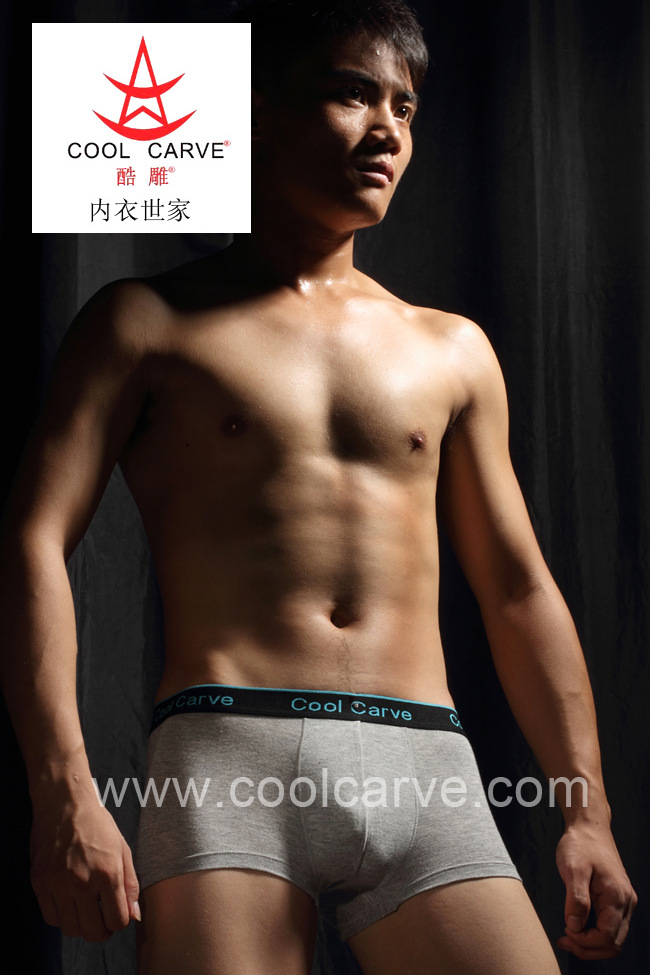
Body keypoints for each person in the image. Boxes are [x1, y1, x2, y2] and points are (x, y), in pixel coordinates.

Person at [0, 1, 636, 972]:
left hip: (427, 762)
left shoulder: (452, 349)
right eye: (352, 94)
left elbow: (518, 589)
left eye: (405, 107)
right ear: (258, 112)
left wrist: (585, 813)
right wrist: (62, 796)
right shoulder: (144, 322)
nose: (387, 130)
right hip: (228, 755)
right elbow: (32, 540)